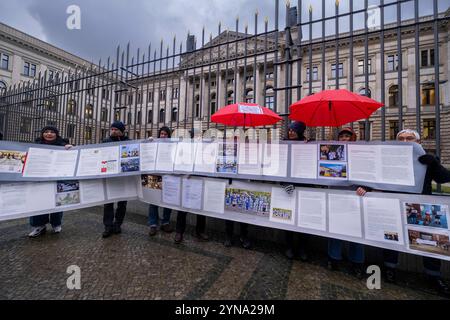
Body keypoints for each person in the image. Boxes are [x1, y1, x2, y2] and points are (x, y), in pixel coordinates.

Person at [358, 129, 450, 296]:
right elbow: (375, 178)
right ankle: (390, 268)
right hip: (394, 204)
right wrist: (366, 187)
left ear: (419, 142)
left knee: (429, 242)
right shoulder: (388, 159)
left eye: (410, 138)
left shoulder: (427, 160)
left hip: (421, 206)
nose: (406, 141)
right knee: (391, 236)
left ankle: (434, 276)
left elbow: (444, 179)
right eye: (401, 139)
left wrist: (434, 164)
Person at [327, 127, 365, 279]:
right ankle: (333, 258)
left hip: (355, 195)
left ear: (352, 138)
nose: (344, 139)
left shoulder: (360, 152)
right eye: (341, 136)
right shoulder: (333, 151)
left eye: (347, 136)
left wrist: (366, 187)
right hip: (336, 194)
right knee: (335, 228)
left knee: (356, 230)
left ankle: (357, 262)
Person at [28, 126, 73, 238]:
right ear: (42, 134)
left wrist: (70, 148)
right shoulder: (35, 145)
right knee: (38, 202)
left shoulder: (63, 145)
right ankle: (39, 225)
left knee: (57, 201)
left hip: (57, 178)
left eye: (52, 132)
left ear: (56, 134)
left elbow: (72, 157)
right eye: (46, 132)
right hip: (39, 178)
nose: (49, 134)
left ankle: (56, 224)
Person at [174, 129, 209, 244]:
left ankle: (200, 231)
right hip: (187, 181)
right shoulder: (185, 149)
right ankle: (179, 232)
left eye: (200, 136)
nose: (198, 139)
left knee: (200, 209)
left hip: (200, 181)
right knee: (182, 209)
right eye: (196, 136)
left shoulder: (205, 150)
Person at [283, 121, 309, 261]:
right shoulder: (284, 144)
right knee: (288, 218)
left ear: (300, 131)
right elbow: (280, 164)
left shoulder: (307, 144)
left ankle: (303, 248)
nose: (291, 132)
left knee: (303, 219)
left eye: (294, 130)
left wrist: (310, 143)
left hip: (304, 186)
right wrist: (284, 183)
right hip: (288, 187)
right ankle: (289, 246)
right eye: (290, 130)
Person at [102, 121, 129, 238]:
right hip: (109, 177)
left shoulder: (129, 142)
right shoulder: (105, 142)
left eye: (116, 129)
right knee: (108, 203)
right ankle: (108, 225)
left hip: (123, 178)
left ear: (122, 131)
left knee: (122, 203)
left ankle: (118, 223)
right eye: (112, 129)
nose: (113, 131)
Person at [148, 127, 174, 236]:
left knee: (168, 200)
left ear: (169, 136)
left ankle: (165, 222)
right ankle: (153, 224)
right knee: (153, 200)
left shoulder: (173, 146)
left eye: (165, 134)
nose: (163, 136)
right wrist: (148, 143)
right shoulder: (154, 144)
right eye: (161, 134)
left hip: (168, 176)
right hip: (154, 175)